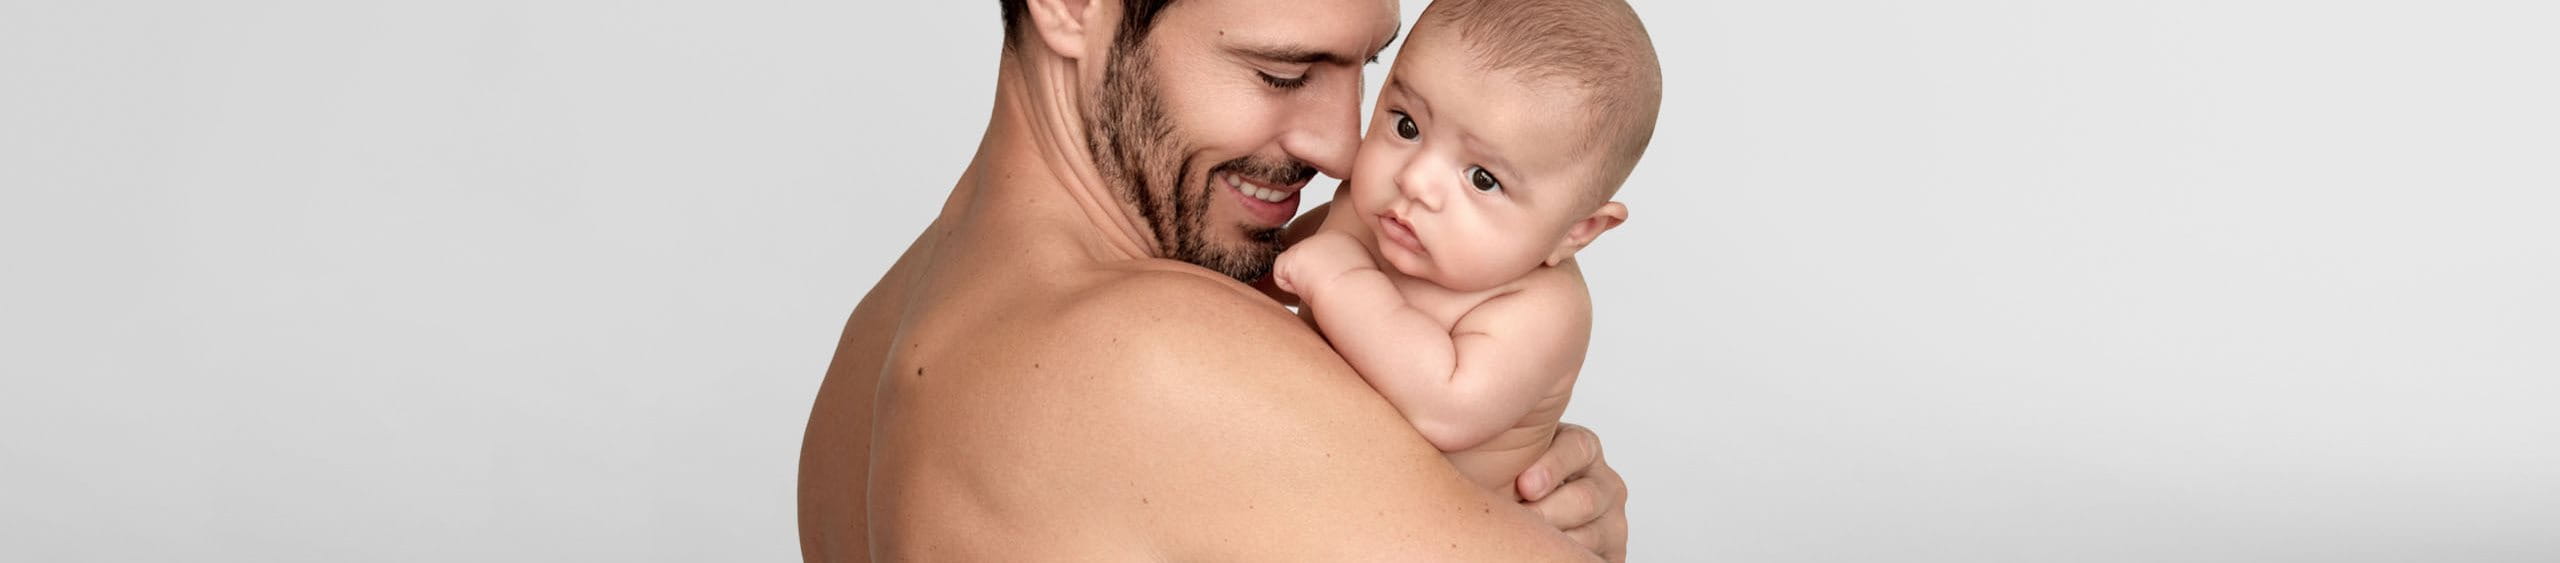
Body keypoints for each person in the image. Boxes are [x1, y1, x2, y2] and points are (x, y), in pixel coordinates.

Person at [797, 0, 1632, 560]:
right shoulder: (1149, 352)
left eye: (1367, 74)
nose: (1343, 150)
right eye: (1281, 73)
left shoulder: (883, 329)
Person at [1273, 0, 1660, 499]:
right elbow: (1266, 273)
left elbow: (1445, 408)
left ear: (1577, 230)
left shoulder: (1538, 310)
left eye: (1483, 179)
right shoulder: (1371, 211)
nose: (1414, 181)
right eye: (1406, 125)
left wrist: (1343, 283)